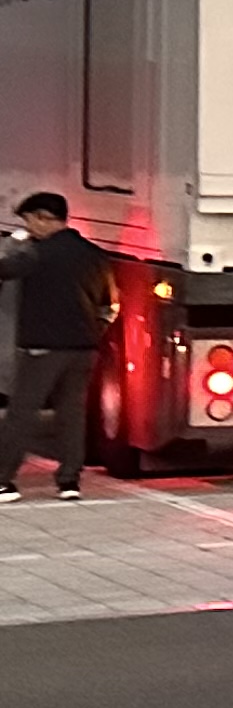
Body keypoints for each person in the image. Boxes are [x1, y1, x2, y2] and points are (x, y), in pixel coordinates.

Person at [2, 190, 114, 502]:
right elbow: (109, 305)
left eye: (28, 221)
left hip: (42, 348)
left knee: (22, 413)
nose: (28, 228)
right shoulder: (95, 254)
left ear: (43, 218)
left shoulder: (34, 255)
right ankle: (69, 482)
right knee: (72, 414)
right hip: (83, 349)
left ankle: (3, 481)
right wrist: (93, 333)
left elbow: (3, 269)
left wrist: (14, 245)